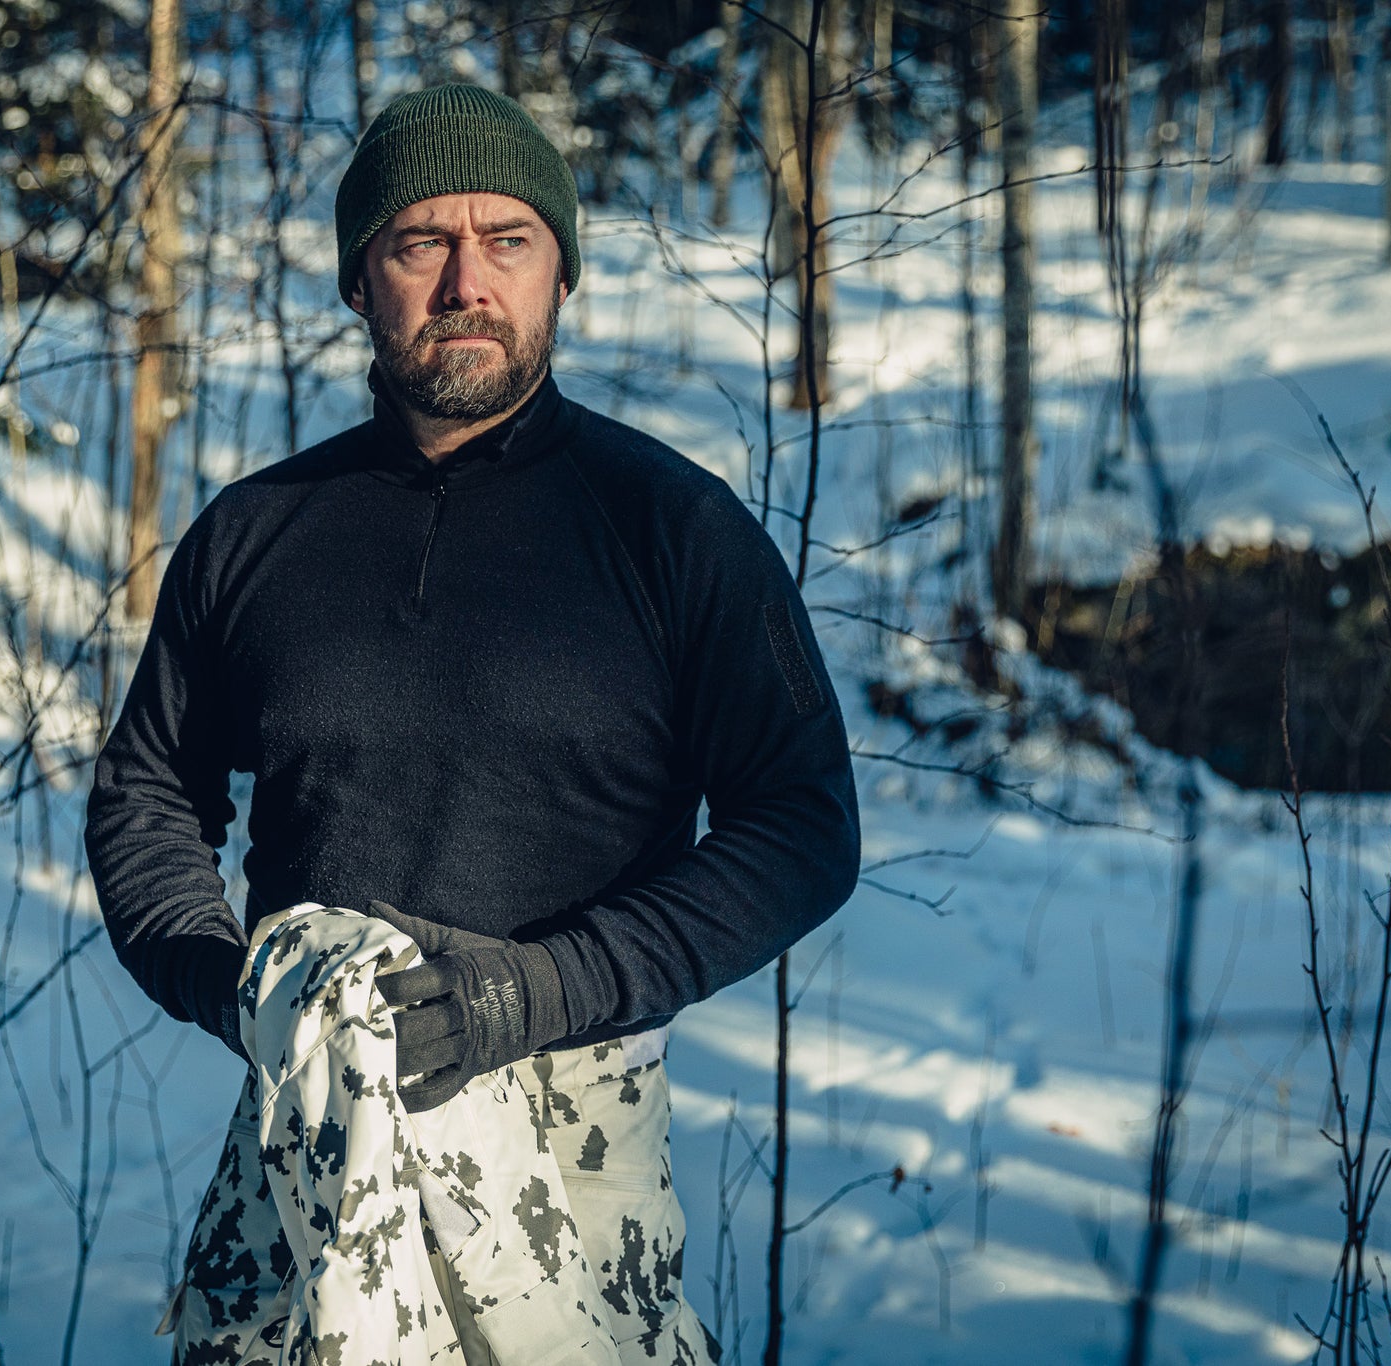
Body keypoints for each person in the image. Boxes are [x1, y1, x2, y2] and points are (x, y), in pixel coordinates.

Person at [85, 82, 860, 1361]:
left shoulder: (670, 527)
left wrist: (543, 986)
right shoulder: (253, 532)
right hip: (307, 1144)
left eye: (506, 240)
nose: (464, 281)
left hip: (577, 1150)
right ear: (357, 281)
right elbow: (150, 787)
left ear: (561, 273)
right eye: (416, 243)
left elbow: (801, 827)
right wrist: (228, 987)